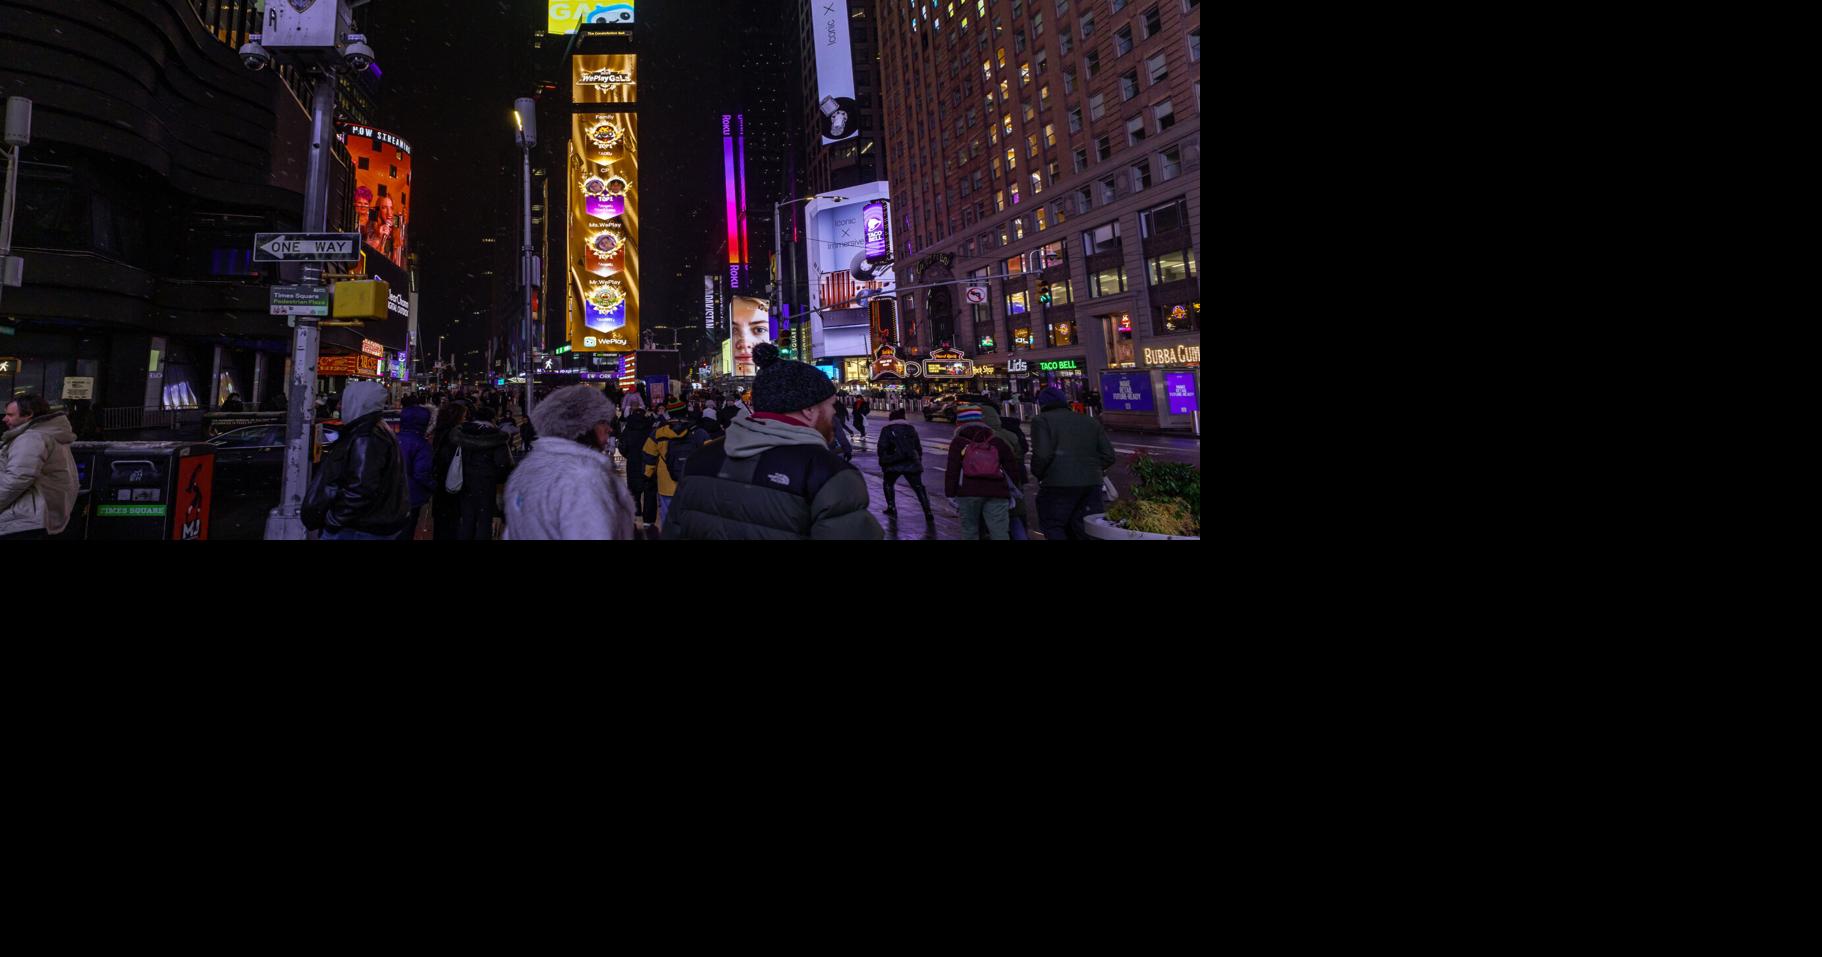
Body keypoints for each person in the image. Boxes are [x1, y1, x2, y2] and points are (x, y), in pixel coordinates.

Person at [663, 342, 882, 540]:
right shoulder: (827, 473)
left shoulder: (699, 460)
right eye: (830, 405)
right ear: (808, 410)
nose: (834, 413)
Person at [503, 385, 638, 540]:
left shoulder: (525, 470)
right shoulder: (582, 476)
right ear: (582, 427)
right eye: (602, 422)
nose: (609, 429)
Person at [303, 380, 409, 540]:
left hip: (357, 529)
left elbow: (361, 488)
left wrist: (333, 520)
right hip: (367, 525)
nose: (339, 407)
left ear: (357, 402)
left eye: (343, 401)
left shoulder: (365, 436)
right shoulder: (375, 429)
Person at [1032, 386, 1116, 541]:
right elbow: (1109, 455)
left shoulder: (1041, 420)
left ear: (1042, 404)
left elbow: (1042, 455)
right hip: (1091, 483)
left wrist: (1040, 473)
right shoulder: (1089, 421)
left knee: (1054, 525)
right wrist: (1092, 468)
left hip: (1057, 484)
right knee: (1088, 527)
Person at [0, 394, 79, 540]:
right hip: (38, 518)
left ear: (29, 414)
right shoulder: (50, 436)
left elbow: (17, 478)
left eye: (10, 415)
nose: (5, 419)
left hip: (21, 519)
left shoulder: (31, 438)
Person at [943, 403, 1026, 540]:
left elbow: (952, 471)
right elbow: (1011, 467)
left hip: (968, 493)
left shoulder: (958, 442)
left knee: (970, 531)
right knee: (999, 532)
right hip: (997, 492)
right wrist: (1013, 490)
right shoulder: (995, 440)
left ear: (959, 422)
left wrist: (950, 494)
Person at [643, 399, 715, 529]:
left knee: (668, 520)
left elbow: (648, 456)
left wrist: (648, 475)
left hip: (666, 485)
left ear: (669, 413)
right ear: (685, 412)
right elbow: (710, 456)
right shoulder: (698, 432)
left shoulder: (658, 433)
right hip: (691, 485)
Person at [452, 406, 513, 540]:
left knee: (467, 518)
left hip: (464, 481)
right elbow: (503, 465)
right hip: (487, 484)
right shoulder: (497, 437)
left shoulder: (463, 433)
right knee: (484, 520)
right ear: (492, 418)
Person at [876, 409, 933, 524]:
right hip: (911, 462)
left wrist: (883, 461)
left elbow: (881, 447)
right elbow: (918, 447)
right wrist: (918, 459)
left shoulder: (887, 429)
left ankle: (891, 507)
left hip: (893, 463)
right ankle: (927, 511)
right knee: (918, 487)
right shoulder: (910, 429)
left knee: (888, 483)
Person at [396, 397, 434, 539]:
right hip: (412, 495)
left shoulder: (392, 438)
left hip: (392, 494)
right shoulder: (421, 444)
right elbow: (421, 473)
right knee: (407, 530)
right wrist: (432, 485)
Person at [429, 402, 468, 540]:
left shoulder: (440, 431)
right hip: (450, 481)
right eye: (463, 416)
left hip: (440, 483)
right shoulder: (455, 435)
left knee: (442, 522)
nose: (465, 419)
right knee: (450, 523)